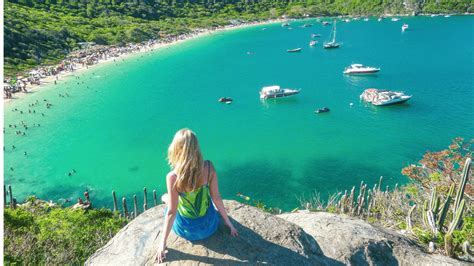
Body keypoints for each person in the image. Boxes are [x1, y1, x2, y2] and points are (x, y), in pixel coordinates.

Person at [155, 129, 238, 263]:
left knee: (169, 203)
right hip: (209, 226)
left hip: (187, 231)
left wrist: (162, 243)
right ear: (196, 148)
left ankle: (166, 198)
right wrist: (228, 222)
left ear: (176, 150)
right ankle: (166, 198)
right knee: (203, 202)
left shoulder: (172, 177)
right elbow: (216, 197)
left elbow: (171, 212)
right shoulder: (209, 167)